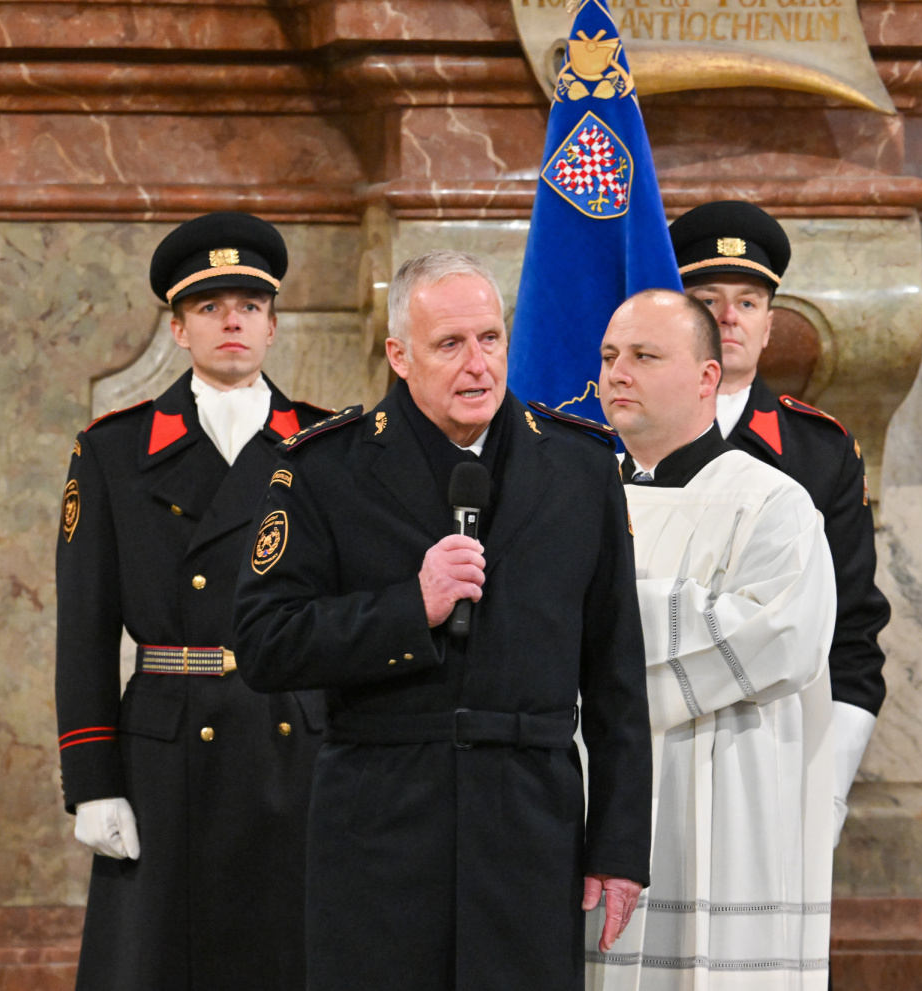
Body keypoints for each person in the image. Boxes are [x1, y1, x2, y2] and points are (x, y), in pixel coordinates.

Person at [232, 249, 653, 991]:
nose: (477, 365)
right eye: (449, 344)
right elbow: (267, 642)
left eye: (490, 338)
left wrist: (619, 846)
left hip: (530, 825)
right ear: (399, 354)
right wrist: (408, 607)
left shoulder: (583, 467)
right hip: (379, 825)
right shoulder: (324, 469)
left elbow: (617, 675)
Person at [55, 212, 332, 990]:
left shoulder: (328, 443)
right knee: (158, 963)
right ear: (178, 330)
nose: (232, 319)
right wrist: (92, 778)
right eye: (209, 307)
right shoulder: (111, 451)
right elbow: (83, 626)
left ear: (274, 324)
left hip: (294, 737)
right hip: (166, 749)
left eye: (248, 304)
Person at [591, 289, 836, 989]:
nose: (617, 374)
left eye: (644, 355)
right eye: (610, 356)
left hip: (727, 800)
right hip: (601, 809)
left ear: (706, 377)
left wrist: (592, 622)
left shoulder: (771, 502)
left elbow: (781, 636)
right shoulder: (582, 495)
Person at [670, 201, 889, 843]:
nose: (728, 318)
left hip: (781, 751)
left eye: (748, 302)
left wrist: (828, 785)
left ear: (769, 326)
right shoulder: (622, 442)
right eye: (707, 299)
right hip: (650, 745)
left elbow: (853, 633)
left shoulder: (820, 453)